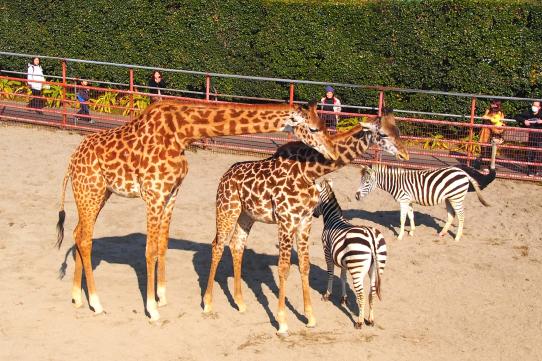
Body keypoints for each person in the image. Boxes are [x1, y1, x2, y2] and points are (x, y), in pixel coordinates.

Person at [514, 101, 542, 176]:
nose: (534, 107)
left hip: (540, 137)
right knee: (530, 154)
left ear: (540, 107)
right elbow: (517, 116)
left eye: (536, 106)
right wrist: (524, 121)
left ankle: (538, 170)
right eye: (533, 105)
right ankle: (531, 171)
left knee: (539, 155)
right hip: (532, 137)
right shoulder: (529, 112)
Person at [478, 99, 505, 168]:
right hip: (486, 131)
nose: (491, 105)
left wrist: (490, 118)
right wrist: (489, 118)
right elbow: (484, 117)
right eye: (491, 103)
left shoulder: (500, 113)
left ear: (497, 105)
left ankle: (490, 165)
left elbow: (501, 122)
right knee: (484, 148)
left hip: (495, 132)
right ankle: (484, 164)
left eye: (493, 103)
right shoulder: (488, 110)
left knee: (492, 149)